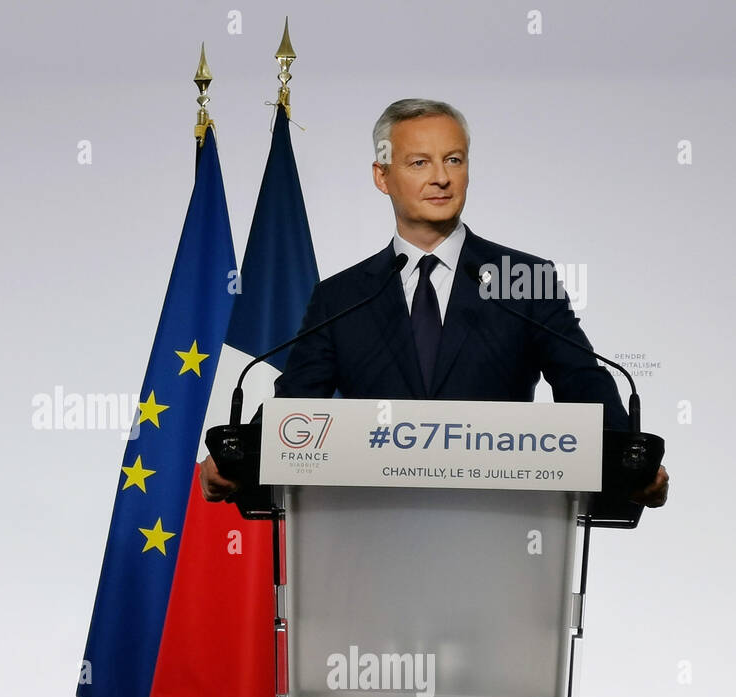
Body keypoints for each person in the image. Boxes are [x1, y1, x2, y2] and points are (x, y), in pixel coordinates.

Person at [201, 98, 668, 508]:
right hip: (371, 538)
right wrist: (239, 457)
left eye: (454, 159)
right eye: (419, 163)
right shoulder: (341, 297)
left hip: (502, 529)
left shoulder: (520, 279)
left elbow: (583, 381)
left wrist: (632, 460)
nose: (442, 178)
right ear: (382, 176)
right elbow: (295, 409)